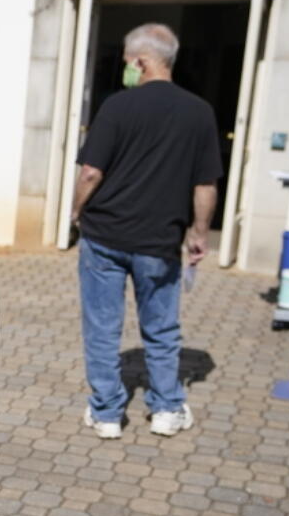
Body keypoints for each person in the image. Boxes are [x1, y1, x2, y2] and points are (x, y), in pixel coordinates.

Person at [70, 23, 221, 440]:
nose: (124, 68)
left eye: (125, 61)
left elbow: (90, 172)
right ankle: (167, 410)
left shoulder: (117, 107)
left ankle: (105, 414)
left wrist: (75, 212)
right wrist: (199, 233)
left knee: (102, 327)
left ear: (141, 61)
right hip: (159, 240)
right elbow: (205, 184)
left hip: (104, 236)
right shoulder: (199, 112)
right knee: (162, 328)